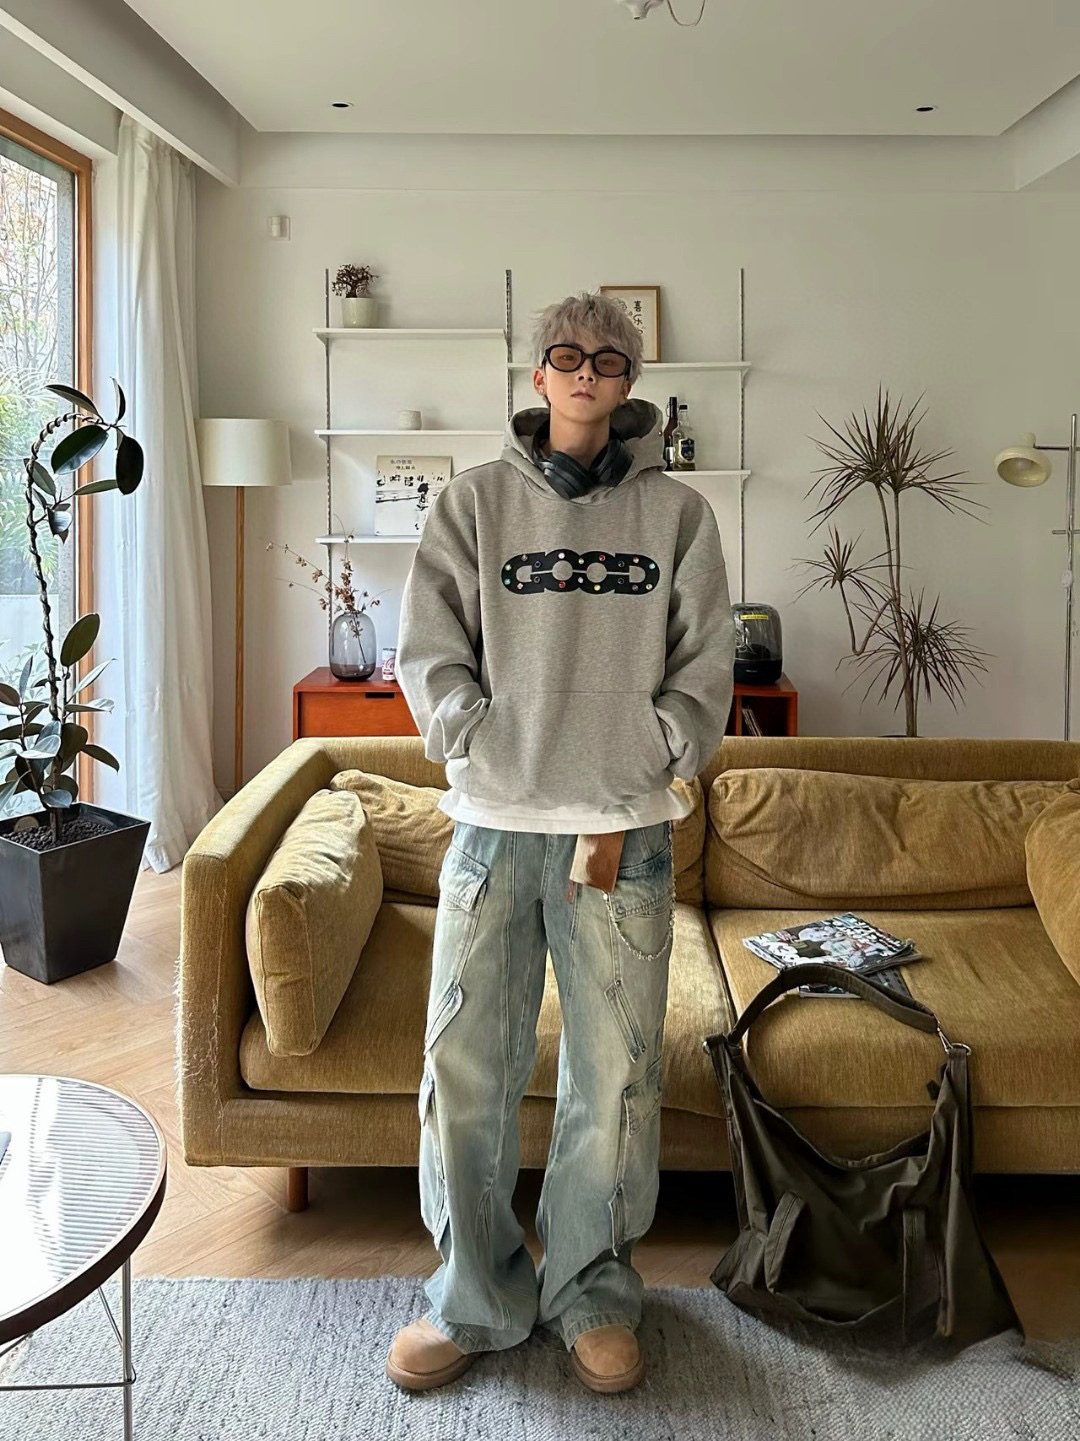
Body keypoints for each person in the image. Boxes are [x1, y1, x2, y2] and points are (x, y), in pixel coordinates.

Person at [388, 291, 735, 1393]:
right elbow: (428, 646)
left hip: (620, 833)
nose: (587, 371)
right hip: (493, 827)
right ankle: (474, 1297)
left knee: (617, 1076)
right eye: (567, 355)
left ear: (630, 383)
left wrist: (655, 745)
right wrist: (469, 731)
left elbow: (706, 660)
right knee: (465, 1068)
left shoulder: (678, 515)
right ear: (538, 375)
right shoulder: (474, 503)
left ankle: (592, 1292)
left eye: (609, 359)